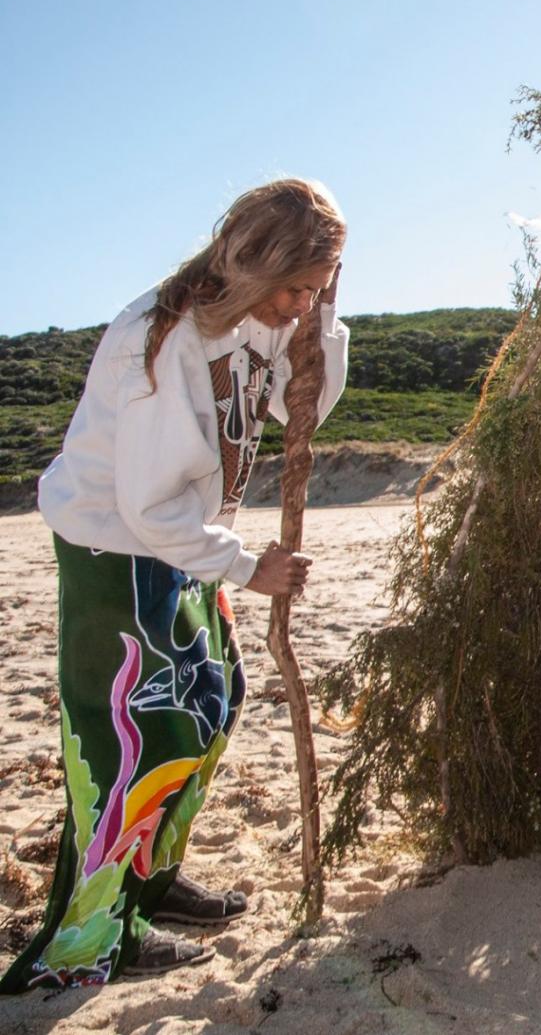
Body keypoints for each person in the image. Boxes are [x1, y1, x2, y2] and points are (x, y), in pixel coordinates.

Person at [1, 179, 350, 988]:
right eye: (295, 288)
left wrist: (323, 321)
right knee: (136, 739)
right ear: (254, 264)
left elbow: (302, 409)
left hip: (182, 543)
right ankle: (90, 937)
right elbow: (148, 504)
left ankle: (149, 880)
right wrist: (248, 566)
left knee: (212, 704)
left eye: (315, 288)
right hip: (118, 550)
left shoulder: (265, 317)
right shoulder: (162, 342)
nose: (300, 305)